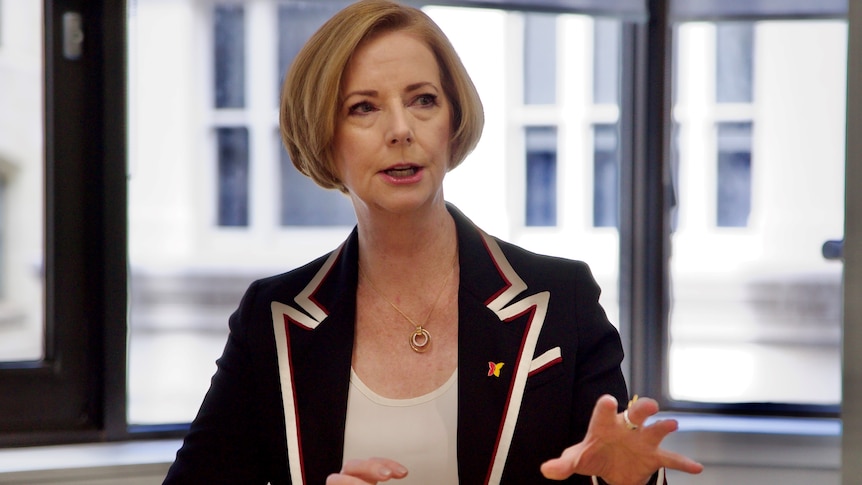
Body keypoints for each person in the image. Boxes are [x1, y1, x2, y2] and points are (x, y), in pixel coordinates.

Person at [164, 1, 704, 484]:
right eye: (363, 107)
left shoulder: (561, 298)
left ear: (453, 120)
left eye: (423, 100)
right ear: (324, 139)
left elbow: (606, 462)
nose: (401, 129)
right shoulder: (272, 317)